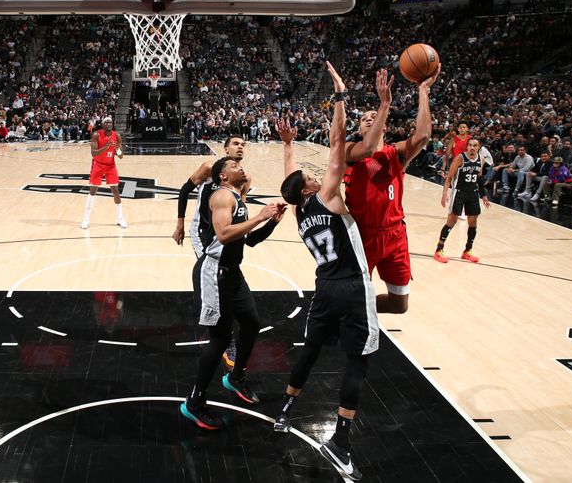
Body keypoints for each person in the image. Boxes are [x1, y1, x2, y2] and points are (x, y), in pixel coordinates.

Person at [274, 62, 377, 481]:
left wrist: (288, 147)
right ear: (310, 189)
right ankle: (342, 441)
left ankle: (284, 410)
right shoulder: (329, 196)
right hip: (353, 286)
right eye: (311, 176)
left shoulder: (300, 213)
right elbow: (337, 142)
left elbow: (289, 181)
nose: (318, 174)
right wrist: (340, 97)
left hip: (323, 290)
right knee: (358, 360)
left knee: (312, 351)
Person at [179, 157, 283, 430]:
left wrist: (270, 222)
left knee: (251, 323)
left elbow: (248, 240)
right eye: (233, 167)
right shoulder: (223, 195)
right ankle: (194, 401)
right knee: (221, 338)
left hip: (232, 272)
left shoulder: (238, 197)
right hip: (214, 272)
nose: (240, 166)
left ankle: (236, 377)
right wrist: (261, 215)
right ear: (223, 176)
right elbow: (224, 234)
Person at [344, 63, 440, 314]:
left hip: (395, 235)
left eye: (374, 118)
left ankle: (353, 310)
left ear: (384, 126)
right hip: (362, 236)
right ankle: (348, 312)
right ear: (360, 129)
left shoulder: (395, 154)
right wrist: (383, 105)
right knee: (354, 293)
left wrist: (423, 91)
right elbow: (368, 148)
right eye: (366, 119)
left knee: (400, 306)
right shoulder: (350, 152)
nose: (371, 119)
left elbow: (422, 137)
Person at [172, 136, 248, 369]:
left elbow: (241, 211)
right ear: (225, 149)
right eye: (235, 144)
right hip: (203, 232)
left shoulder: (244, 179)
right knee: (215, 275)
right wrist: (180, 224)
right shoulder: (209, 168)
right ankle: (225, 339)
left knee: (227, 275)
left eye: (243, 144)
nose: (240, 147)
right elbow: (185, 191)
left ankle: (224, 327)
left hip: (224, 233)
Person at [434, 139, 491, 263]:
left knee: (473, 222)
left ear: (478, 147)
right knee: (451, 221)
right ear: (467, 146)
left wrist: (484, 196)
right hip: (458, 193)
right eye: (470, 145)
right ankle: (439, 250)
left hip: (473, 194)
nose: (472, 147)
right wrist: (444, 194)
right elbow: (449, 178)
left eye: (475, 145)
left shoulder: (481, 159)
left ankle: (467, 251)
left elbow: (479, 178)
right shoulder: (460, 158)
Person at [81, 117, 127, 229]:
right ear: (102, 124)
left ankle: (120, 219)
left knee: (115, 190)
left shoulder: (117, 136)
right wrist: (106, 147)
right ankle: (86, 220)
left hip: (110, 165)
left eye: (110, 122)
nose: (108, 124)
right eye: (106, 122)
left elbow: (121, 156)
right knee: (93, 190)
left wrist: (117, 149)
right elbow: (93, 153)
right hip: (98, 164)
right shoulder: (97, 135)